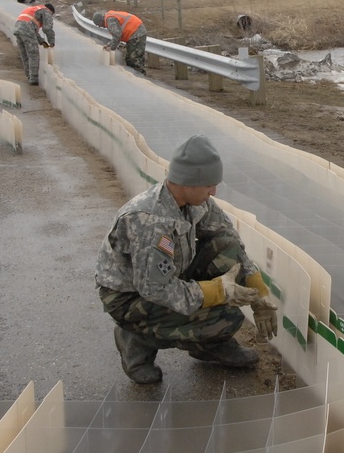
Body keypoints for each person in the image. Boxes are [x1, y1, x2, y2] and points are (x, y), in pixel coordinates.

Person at [94, 134, 279, 384]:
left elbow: (227, 238)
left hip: (164, 276)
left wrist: (258, 290)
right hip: (130, 296)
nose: (213, 191)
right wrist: (217, 291)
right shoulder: (151, 222)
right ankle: (136, 338)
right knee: (227, 317)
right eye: (209, 185)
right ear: (187, 182)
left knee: (225, 245)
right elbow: (155, 288)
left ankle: (208, 345)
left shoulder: (197, 202)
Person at [91, 10, 148, 75]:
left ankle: (140, 77)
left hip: (137, 33)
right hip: (133, 34)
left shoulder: (110, 20)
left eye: (99, 25)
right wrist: (109, 45)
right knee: (129, 59)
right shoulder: (109, 17)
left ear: (101, 21)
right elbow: (116, 35)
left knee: (134, 59)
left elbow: (117, 34)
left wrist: (112, 48)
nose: (100, 26)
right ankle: (134, 76)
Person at [14, 3, 56, 85]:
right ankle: (33, 79)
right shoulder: (46, 11)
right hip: (27, 30)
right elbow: (47, 28)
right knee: (33, 54)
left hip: (18, 29)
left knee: (25, 55)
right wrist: (52, 41)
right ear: (51, 11)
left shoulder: (34, 9)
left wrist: (41, 41)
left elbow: (31, 28)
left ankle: (29, 76)